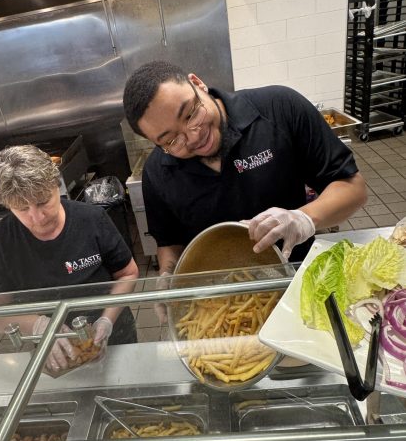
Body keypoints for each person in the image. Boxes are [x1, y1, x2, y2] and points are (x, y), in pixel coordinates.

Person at [123, 60, 367, 280]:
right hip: (222, 299)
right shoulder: (157, 172)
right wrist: (168, 275)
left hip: (299, 277)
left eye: (190, 114)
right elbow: (169, 242)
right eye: (171, 140)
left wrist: (303, 218)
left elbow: (353, 188)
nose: (194, 136)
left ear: (198, 84)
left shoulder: (279, 108)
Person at [0, 145, 139, 372]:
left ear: (57, 186)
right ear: (8, 206)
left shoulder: (91, 220)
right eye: (22, 208)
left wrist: (107, 321)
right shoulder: (1, 242)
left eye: (43, 201)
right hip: (52, 349)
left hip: (112, 331)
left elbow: (128, 273)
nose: (37, 217)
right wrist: (37, 324)